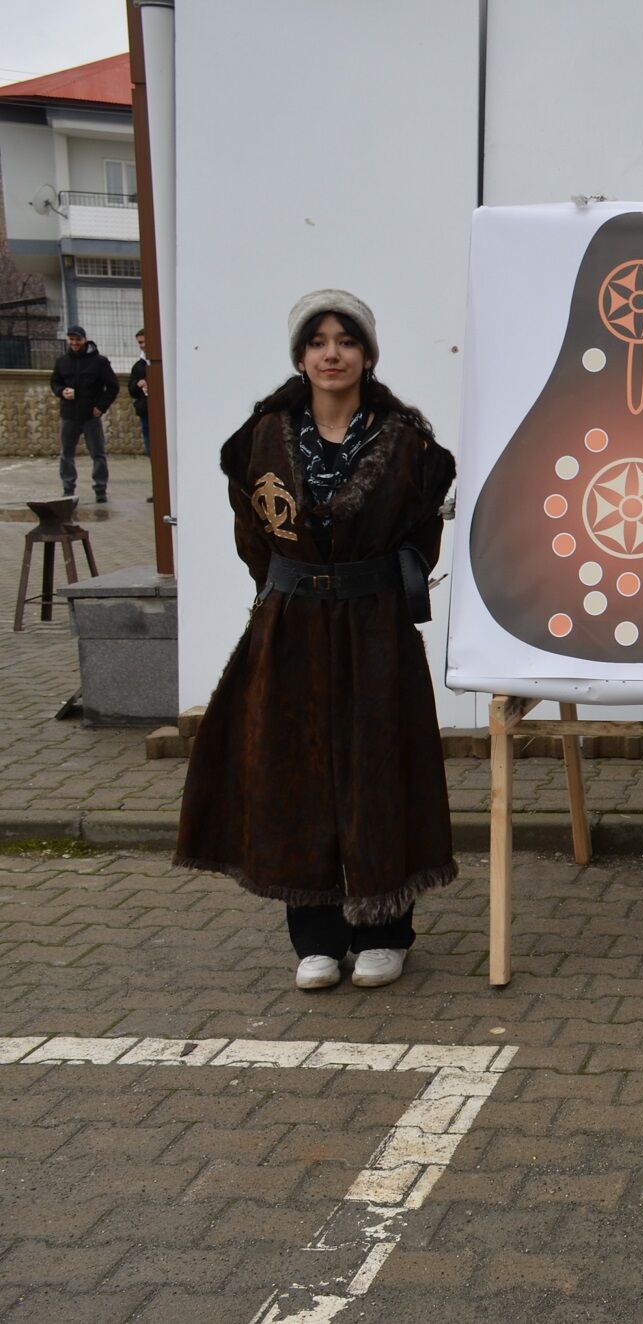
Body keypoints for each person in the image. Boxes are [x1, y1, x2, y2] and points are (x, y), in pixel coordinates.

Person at [176, 290, 457, 991]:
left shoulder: (408, 443)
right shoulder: (263, 438)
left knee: (378, 768)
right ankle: (318, 938)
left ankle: (385, 930)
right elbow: (254, 539)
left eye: (346, 340)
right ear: (300, 355)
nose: (332, 354)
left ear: (367, 353)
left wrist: (375, 587)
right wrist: (295, 589)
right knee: (294, 776)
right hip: (292, 625)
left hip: (375, 628)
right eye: (318, 341)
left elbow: (422, 536)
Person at [49, 323, 118, 501]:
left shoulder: (100, 362)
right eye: (71, 339)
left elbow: (112, 387)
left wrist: (100, 407)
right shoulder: (62, 362)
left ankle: (100, 490)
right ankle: (68, 489)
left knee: (98, 454)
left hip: (90, 417)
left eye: (78, 339)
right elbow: (55, 382)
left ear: (85, 340)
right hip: (69, 415)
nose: (74, 343)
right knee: (66, 454)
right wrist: (61, 391)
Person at [130, 327, 152, 457]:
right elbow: (131, 390)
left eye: (145, 341)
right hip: (145, 411)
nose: (143, 345)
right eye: (140, 342)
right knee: (149, 446)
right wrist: (137, 384)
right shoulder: (138, 366)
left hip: (161, 410)